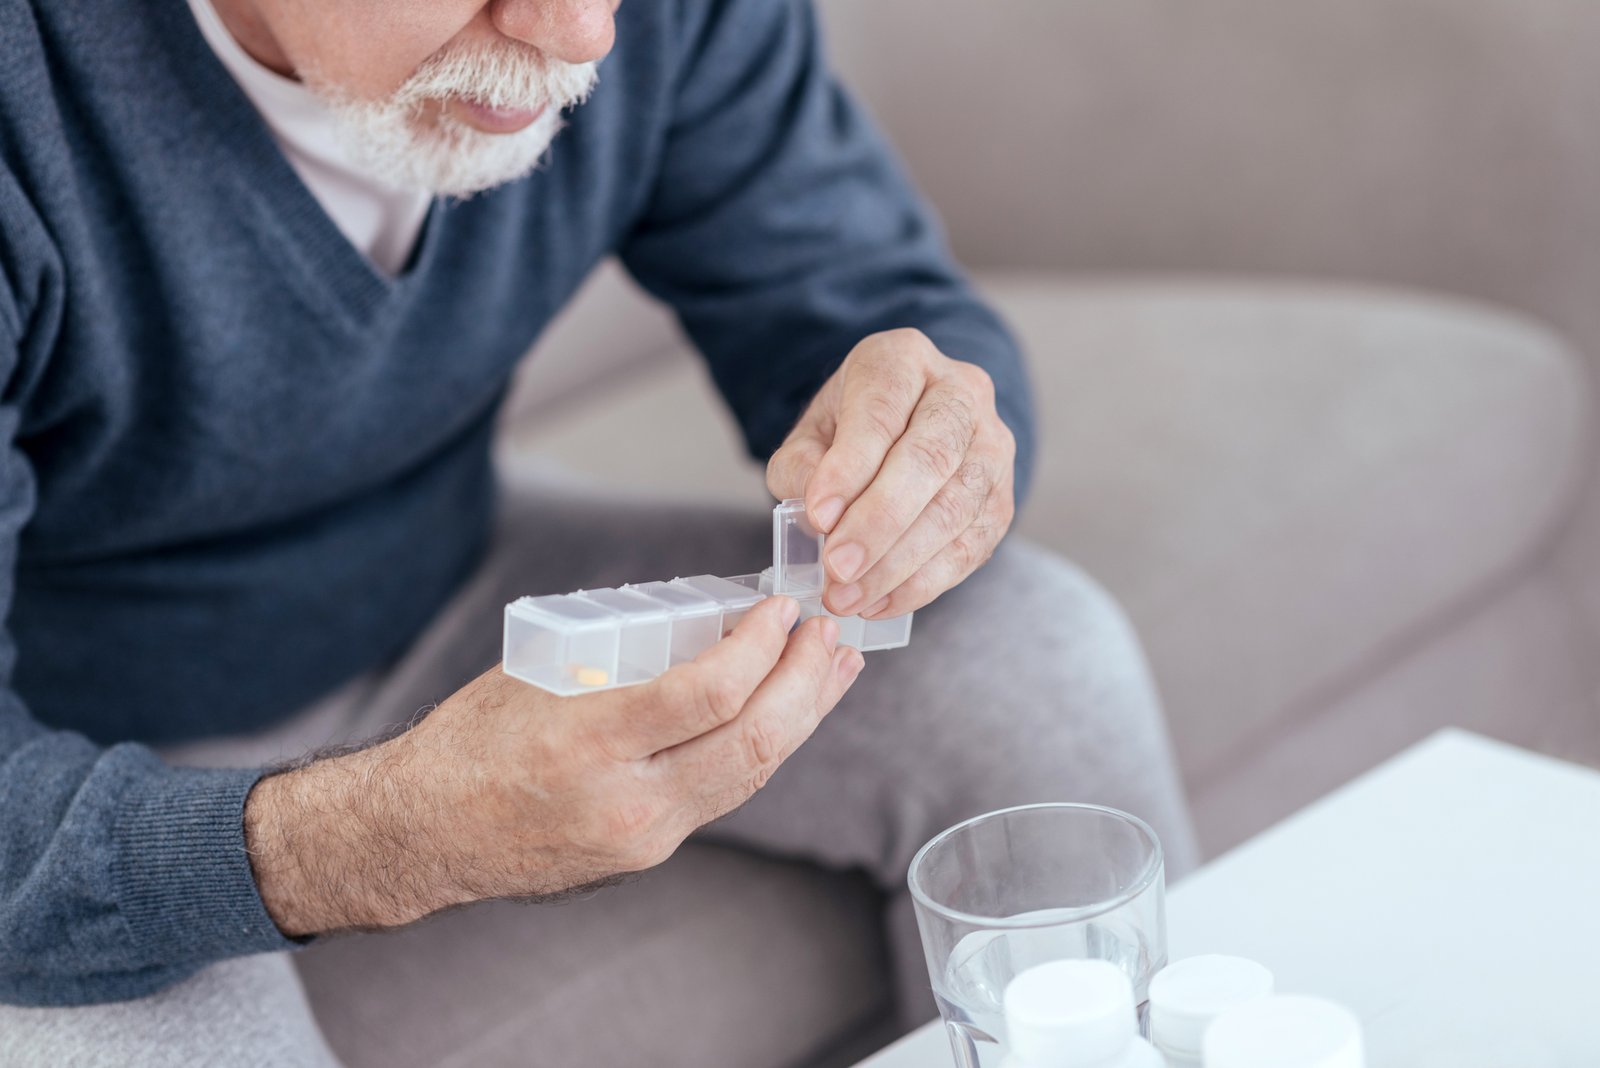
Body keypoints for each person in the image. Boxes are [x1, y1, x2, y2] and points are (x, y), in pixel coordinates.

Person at [0, 0, 1199, 1062]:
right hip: (59, 739)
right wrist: (382, 835)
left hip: (439, 572)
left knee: (1031, 653)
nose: (581, 36)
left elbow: (863, 293)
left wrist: (930, 443)